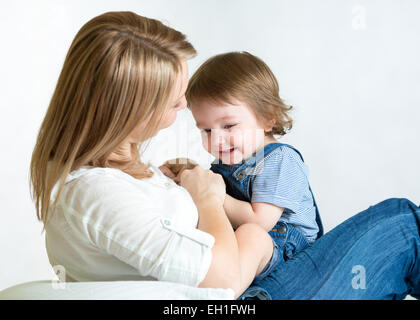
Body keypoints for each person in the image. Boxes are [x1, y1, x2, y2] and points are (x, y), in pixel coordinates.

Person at [30, 11, 419, 300]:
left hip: (273, 263)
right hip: (245, 294)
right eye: (174, 100)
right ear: (130, 111)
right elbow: (223, 280)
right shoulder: (94, 194)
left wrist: (184, 181)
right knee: (404, 221)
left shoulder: (112, 179)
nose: (183, 105)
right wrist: (206, 197)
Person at [160, 51, 324, 289]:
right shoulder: (228, 161)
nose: (216, 140)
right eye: (206, 130)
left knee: (251, 235)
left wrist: (211, 195)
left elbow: (260, 221)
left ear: (268, 117)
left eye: (228, 126)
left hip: (291, 254)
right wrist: (186, 174)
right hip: (246, 254)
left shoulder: (280, 160)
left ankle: (224, 295)